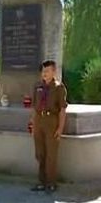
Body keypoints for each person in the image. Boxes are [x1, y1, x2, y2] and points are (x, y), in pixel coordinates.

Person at [29, 60, 68, 193]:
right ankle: (41, 181)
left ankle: (51, 182)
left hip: (51, 120)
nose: (44, 74)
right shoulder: (37, 86)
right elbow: (34, 108)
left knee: (51, 153)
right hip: (39, 120)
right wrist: (33, 124)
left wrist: (60, 128)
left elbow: (62, 109)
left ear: (54, 72)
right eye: (43, 71)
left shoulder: (58, 88)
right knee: (40, 152)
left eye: (47, 71)